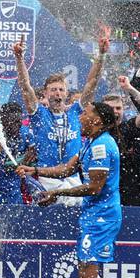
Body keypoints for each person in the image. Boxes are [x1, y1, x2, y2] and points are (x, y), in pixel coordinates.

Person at [23, 102, 133, 278]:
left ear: (97, 121)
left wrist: (58, 193)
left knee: (86, 272)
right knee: (89, 269)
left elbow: (94, 187)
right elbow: (66, 169)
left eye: (86, 113)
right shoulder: (90, 143)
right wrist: (35, 170)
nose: (81, 117)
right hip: (96, 215)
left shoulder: (101, 147)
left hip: (101, 217)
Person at [13, 30, 106, 204]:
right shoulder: (39, 114)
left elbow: (92, 83)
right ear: (46, 93)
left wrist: (101, 55)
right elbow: (25, 86)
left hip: (73, 180)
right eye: (53, 89)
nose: (57, 93)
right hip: (46, 179)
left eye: (61, 89)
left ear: (66, 93)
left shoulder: (75, 112)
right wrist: (19, 58)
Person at [0, 102, 35, 205]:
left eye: (19, 121)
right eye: (13, 122)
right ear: (3, 121)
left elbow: (34, 155)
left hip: (14, 189)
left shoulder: (25, 133)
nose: (18, 125)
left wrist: (26, 163)